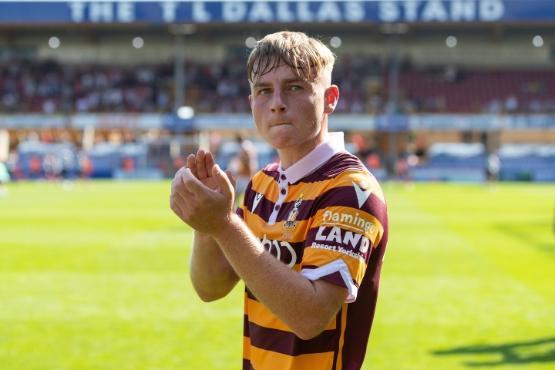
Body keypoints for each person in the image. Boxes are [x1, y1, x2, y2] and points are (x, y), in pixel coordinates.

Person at [170, 31, 388, 370]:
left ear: (330, 99)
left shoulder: (351, 190)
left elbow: (309, 317)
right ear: (251, 102)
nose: (277, 103)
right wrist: (205, 225)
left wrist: (224, 225)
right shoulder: (263, 183)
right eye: (264, 91)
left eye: (295, 87)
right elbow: (210, 287)